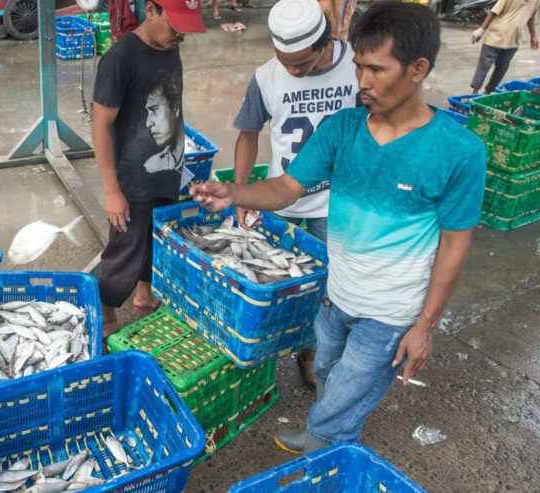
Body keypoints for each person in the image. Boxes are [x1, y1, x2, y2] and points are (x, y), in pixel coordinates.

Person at [191, 1, 486, 454]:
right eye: (359, 69)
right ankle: (326, 436)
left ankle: (324, 453)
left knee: (345, 398)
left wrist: (425, 325)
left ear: (417, 68)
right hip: (337, 296)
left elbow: (454, 245)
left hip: (389, 315)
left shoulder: (458, 151)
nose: (362, 83)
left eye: (376, 70)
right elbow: (288, 187)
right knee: (328, 374)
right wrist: (236, 193)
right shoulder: (343, 128)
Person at [233, 0, 359, 389]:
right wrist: (241, 194)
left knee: (328, 287)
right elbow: (248, 134)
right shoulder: (267, 77)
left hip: (335, 202)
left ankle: (312, 353)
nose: (292, 71)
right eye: (284, 60)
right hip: (281, 197)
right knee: (272, 282)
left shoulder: (359, 68)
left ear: (325, 43)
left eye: (301, 64)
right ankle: (270, 351)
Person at [91, 0, 205, 337]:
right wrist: (112, 190)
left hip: (168, 167)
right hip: (133, 177)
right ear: (152, 10)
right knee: (124, 250)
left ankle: (144, 294)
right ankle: (106, 312)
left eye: (186, 27)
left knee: (157, 239)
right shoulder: (120, 59)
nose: (180, 34)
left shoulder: (170, 45)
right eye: (175, 25)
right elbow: (100, 126)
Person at [470, 0, 539, 93]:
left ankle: (487, 92)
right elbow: (494, 11)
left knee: (502, 68)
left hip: (513, 40)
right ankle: (475, 92)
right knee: (484, 65)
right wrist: (481, 29)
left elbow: (531, 18)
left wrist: (533, 35)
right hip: (496, 35)